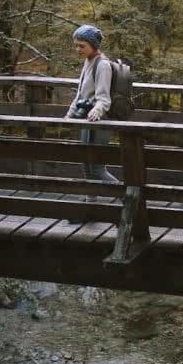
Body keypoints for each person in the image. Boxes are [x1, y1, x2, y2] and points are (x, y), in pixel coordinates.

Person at [65, 25, 120, 222]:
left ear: (93, 45)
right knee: (87, 165)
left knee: (97, 168)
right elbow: (81, 93)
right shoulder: (88, 61)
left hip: (99, 121)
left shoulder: (102, 65)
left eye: (82, 46)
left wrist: (95, 113)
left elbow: (104, 99)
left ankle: (128, 203)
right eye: (77, 46)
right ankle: (90, 208)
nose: (78, 49)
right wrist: (69, 116)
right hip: (87, 120)